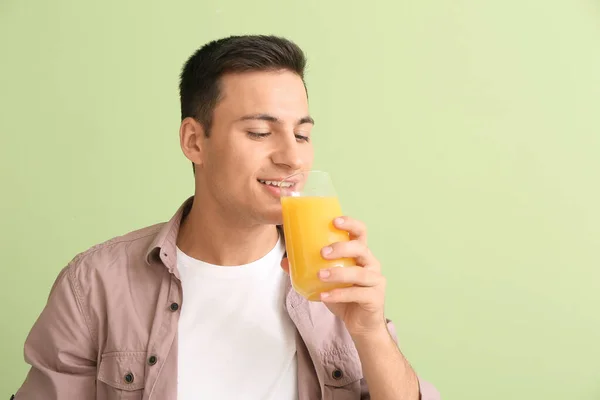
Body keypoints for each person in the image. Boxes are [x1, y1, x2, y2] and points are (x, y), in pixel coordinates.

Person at [13, 35, 440, 400]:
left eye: (302, 134)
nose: (292, 157)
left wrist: (370, 333)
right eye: (259, 132)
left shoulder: (335, 278)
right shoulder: (94, 285)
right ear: (195, 141)